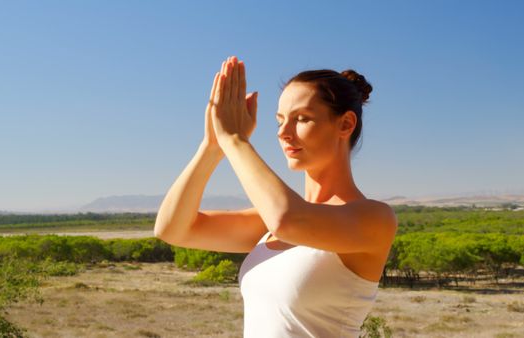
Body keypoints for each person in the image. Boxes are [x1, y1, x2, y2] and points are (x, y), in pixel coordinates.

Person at [154, 56, 397, 337]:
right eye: (280, 120)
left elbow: (287, 220)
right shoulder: (269, 222)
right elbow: (172, 229)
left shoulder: (373, 219)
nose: (283, 132)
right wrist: (212, 146)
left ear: (345, 124)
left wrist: (234, 140)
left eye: (302, 119)